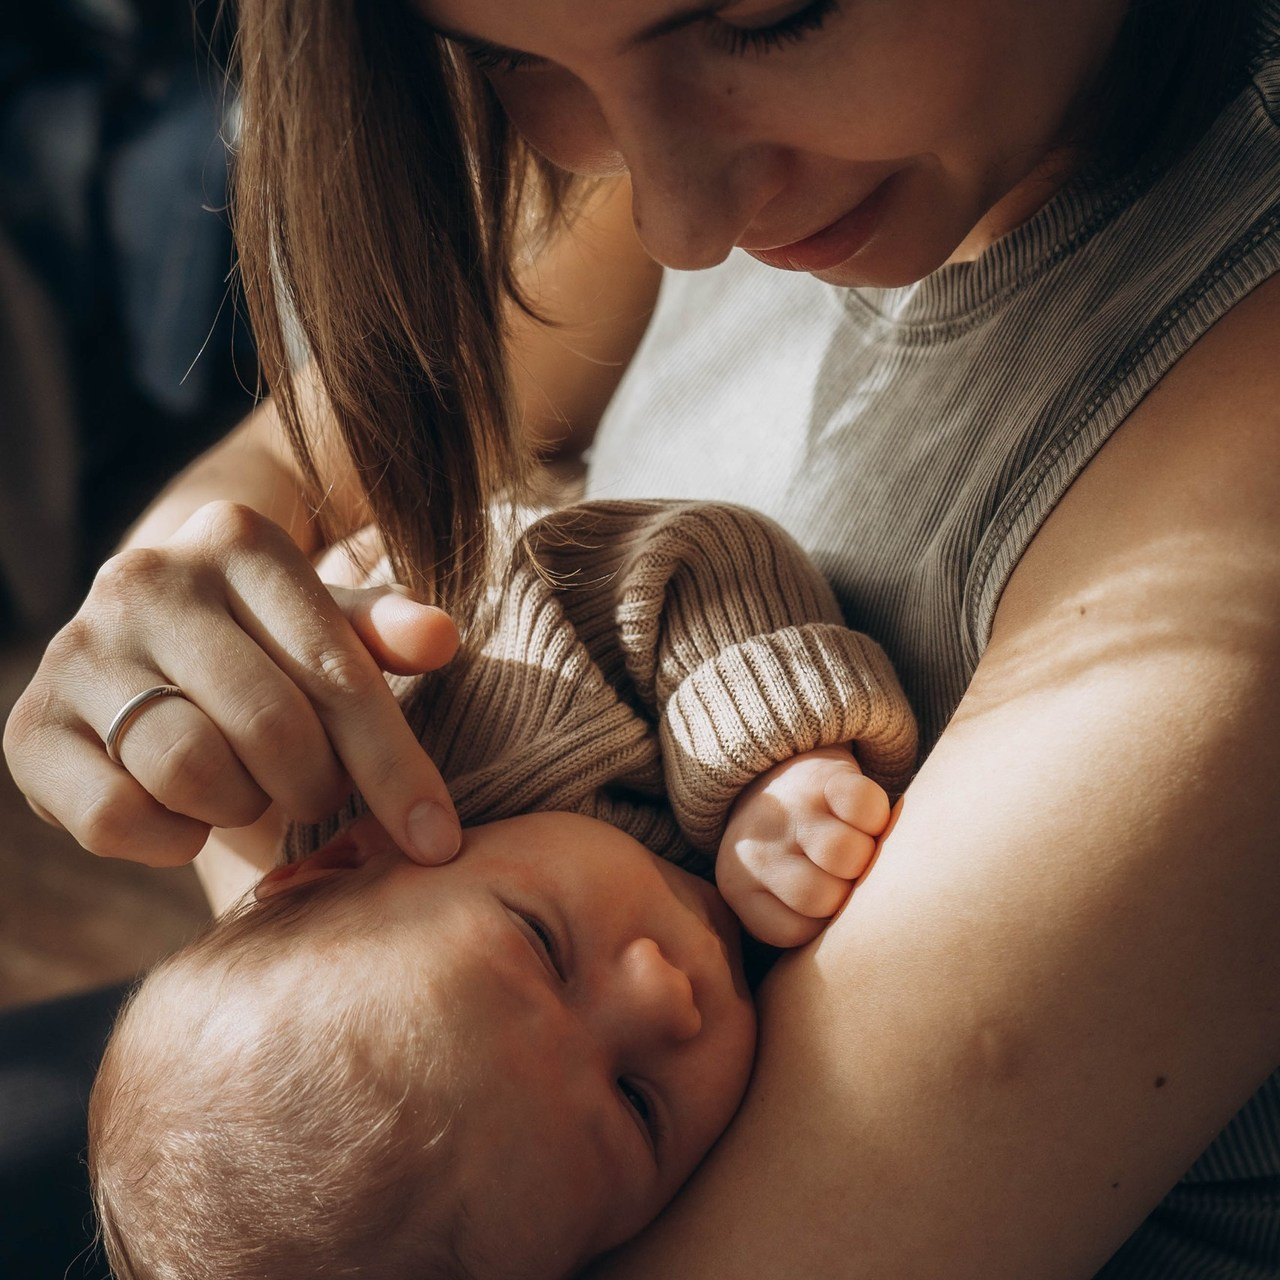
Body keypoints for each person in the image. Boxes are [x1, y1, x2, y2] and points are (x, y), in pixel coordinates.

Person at [4, 0, 1278, 1276]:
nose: (676, 223)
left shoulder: (1232, 446)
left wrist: (281, 838)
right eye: (514, 62)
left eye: (767, 17)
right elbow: (314, 453)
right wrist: (178, 610)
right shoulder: (643, 94)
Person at [87, 499, 917, 1280]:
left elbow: (690, 556)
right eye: (635, 1108)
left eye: (542, 944)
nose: (664, 992)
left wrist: (765, 766)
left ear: (352, 856)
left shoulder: (496, 713)